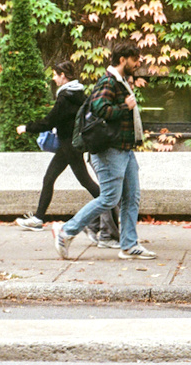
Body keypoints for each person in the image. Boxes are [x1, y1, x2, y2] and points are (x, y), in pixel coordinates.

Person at [51, 41, 155, 260]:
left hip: (124, 150)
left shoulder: (120, 82)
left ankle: (128, 245)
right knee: (109, 198)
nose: (137, 64)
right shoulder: (108, 81)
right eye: (134, 59)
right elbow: (100, 109)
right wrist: (124, 106)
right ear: (122, 59)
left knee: (131, 197)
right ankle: (66, 232)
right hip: (110, 151)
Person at [13, 61, 119, 247]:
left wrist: (26, 127)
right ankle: (38, 218)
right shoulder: (78, 93)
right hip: (68, 145)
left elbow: (49, 121)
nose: (53, 78)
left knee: (87, 183)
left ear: (63, 75)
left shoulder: (65, 98)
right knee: (49, 178)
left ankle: (111, 218)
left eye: (55, 75)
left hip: (70, 146)